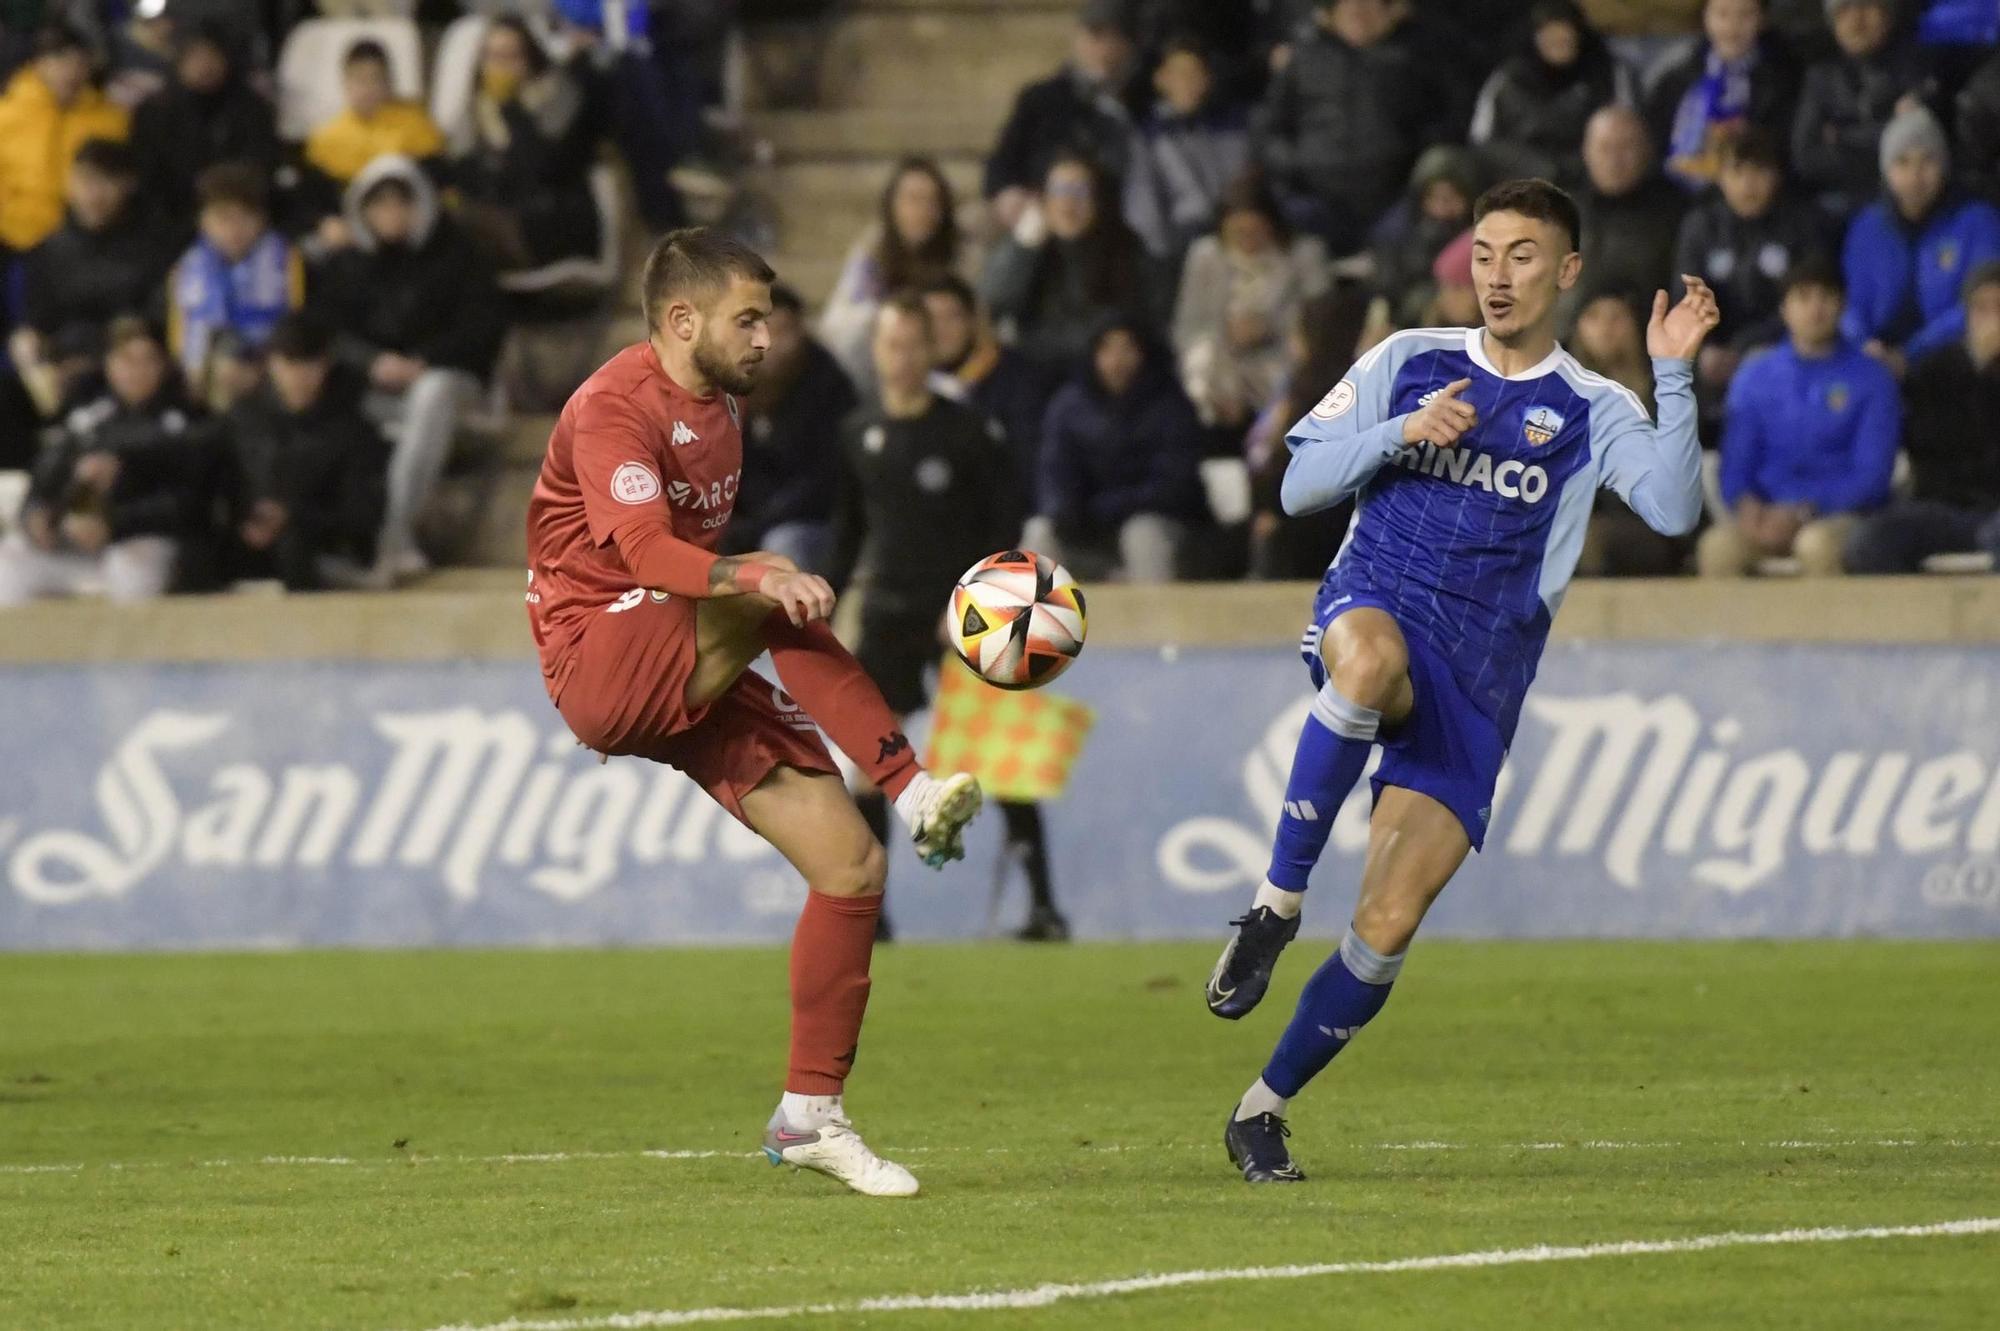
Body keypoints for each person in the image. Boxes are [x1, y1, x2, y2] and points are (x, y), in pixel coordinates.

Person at [1204, 179, 1719, 1183]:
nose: (1497, 274)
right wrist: (1400, 432)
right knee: (1366, 660)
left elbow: (1670, 510)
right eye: (1483, 252)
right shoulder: (1409, 361)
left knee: (1387, 924)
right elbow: (1296, 481)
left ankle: (1260, 1109)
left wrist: (1672, 376)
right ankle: (1272, 904)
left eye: (1522, 255)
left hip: (1479, 677)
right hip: (1375, 604)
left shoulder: (1586, 406)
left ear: (1564, 271)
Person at [524, 227, 985, 1198]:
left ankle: (808, 1114)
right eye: (747, 317)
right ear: (681, 319)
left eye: (767, 317)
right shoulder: (613, 406)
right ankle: (908, 783)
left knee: (848, 864)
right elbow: (647, 553)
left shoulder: (722, 410)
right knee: (765, 591)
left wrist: (747, 584)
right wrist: (753, 573)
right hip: (596, 656)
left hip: (681, 654)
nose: (766, 335)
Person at [830, 295, 1070, 944]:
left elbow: (1004, 525)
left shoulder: (965, 431)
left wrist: (973, 600)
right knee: (868, 760)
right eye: (891, 344)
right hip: (887, 614)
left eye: (913, 343)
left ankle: (1044, 907)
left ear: (930, 349)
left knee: (999, 756)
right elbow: (848, 531)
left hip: (964, 619)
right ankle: (870, 913)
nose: (902, 357)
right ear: (876, 352)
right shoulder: (857, 434)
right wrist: (820, 596)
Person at [310, 155, 506, 585]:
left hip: (450, 381)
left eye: (403, 203)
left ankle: (393, 538)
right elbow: (327, 333)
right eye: (379, 205)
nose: (392, 215)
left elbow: (482, 328)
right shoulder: (345, 267)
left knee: (431, 395)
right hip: (371, 386)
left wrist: (425, 362)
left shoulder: (459, 254)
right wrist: (372, 362)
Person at [1699, 259, 1899, 576]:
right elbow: (1736, 463)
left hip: (1840, 516)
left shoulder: (1872, 379)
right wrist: (1747, 506)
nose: (1815, 308)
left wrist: (1804, 511)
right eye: (1803, 297)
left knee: (1815, 545)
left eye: (1825, 297)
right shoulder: (1755, 376)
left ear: (1842, 305)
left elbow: (1872, 477)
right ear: (1785, 309)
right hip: (1766, 514)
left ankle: (1826, 628)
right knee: (1718, 548)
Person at [0, 318, 220, 605]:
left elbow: (188, 503)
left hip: (145, 542)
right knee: (11, 561)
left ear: (164, 365)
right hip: (77, 544)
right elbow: (45, 478)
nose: (137, 371)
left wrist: (115, 523)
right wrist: (39, 515)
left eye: (148, 361)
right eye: (127, 360)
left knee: (130, 566)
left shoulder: (188, 422)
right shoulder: (89, 419)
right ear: (109, 365)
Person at [1254, 0, 1446, 254]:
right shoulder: (1302, 60)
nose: (1361, 17)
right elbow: (1269, 128)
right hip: (1315, 198)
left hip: (1391, 200)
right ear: (1330, 15)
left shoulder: (1411, 61)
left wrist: (1415, 176)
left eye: (1369, 9)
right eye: (1352, 11)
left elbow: (1438, 122)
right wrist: (1293, 164)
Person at [1024, 315, 1206, 582]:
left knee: (1142, 533)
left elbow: (1174, 483)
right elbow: (1054, 471)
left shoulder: (1171, 406)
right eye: (1107, 349)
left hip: (1156, 520)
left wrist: (1112, 507)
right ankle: (1030, 621)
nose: (1117, 360)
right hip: (1086, 525)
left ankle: (1155, 621)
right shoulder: (1068, 406)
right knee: (1039, 530)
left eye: (1127, 349)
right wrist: (1064, 510)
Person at [1844, 260, 2000, 572]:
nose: (1993, 320)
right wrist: (1980, 376)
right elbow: (1929, 450)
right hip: (1945, 507)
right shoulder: (1934, 370)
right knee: (1870, 542)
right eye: (1982, 309)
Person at [11, 138, 176, 418]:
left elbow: (152, 321)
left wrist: (94, 362)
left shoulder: (151, 248)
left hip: (126, 361)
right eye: (86, 181)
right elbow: (39, 321)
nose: (95, 194)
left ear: (127, 185)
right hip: (62, 360)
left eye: (106, 182)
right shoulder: (49, 250)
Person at [226, 313, 389, 592]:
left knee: (294, 547)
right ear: (271, 364)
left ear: (324, 365)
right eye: (289, 364)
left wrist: (294, 516)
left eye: (309, 365)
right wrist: (245, 517)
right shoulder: (244, 418)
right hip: (250, 539)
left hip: (321, 546)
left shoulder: (351, 429)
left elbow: (361, 515)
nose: (298, 376)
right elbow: (224, 482)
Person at [1671, 127, 1828, 401]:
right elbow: (1685, 300)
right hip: (1713, 355)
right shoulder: (1701, 226)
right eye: (1737, 172)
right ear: (1720, 177)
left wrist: (1751, 348)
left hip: (1784, 348)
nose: (1748, 184)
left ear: (1777, 175)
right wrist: (1704, 349)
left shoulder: (1803, 225)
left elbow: (1812, 297)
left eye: (1759, 172)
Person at [1841, 106, 2000, 372]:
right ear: (1886, 170)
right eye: (1902, 162)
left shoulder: (1977, 221)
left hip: (1953, 358)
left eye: (1927, 160)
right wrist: (1865, 346)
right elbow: (1853, 304)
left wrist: (1910, 355)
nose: (1915, 175)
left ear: (1944, 167)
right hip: (1876, 359)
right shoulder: (1867, 226)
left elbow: (1981, 303)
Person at [449, 17, 601, 273]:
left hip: (552, 224)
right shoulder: (477, 108)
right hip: (499, 219)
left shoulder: (558, 96)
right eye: (492, 56)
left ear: (530, 58)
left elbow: (542, 168)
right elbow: (461, 168)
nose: (500, 66)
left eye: (511, 56)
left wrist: (510, 107)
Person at [1172, 179, 1329, 429]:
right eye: (1238, 232)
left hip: (1280, 355)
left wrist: (1269, 328)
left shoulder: (1304, 254)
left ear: (1271, 225)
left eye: (1255, 231)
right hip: (1222, 355)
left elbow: (1323, 320)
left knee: (1295, 373)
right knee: (1201, 359)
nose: (1247, 240)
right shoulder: (1205, 255)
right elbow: (1188, 325)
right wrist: (1227, 332)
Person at [725, 284, 857, 573]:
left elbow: (825, 481)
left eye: (784, 330)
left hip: (812, 524)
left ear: (802, 332)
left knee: (783, 546)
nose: (773, 342)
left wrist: (757, 523)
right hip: (750, 519)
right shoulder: (734, 385)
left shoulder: (829, 387)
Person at [981, 152, 1154, 371]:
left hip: (1105, 373)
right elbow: (991, 306)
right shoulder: (1026, 247)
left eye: (1079, 191)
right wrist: (1023, 249)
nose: (1068, 201)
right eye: (1059, 190)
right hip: (1037, 373)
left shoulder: (1126, 250)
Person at [1244, 287, 1370, 581]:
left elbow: (1288, 458)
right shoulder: (1356, 382)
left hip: (1306, 525)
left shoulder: (1314, 390)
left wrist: (1268, 508)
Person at [982, 0, 1143, 228]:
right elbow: (1002, 165)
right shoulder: (1041, 98)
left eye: (1114, 38)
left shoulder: (1140, 103)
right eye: (1095, 36)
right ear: (1078, 39)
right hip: (1044, 215)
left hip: (1117, 221)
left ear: (1128, 46)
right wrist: (1009, 193)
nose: (1104, 49)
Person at [168, 162, 305, 406]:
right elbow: (181, 340)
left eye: (245, 218)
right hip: (205, 383)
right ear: (203, 220)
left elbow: (296, 327)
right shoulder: (186, 268)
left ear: (262, 219)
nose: (234, 229)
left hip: (272, 375)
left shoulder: (286, 261)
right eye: (223, 218)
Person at [818, 158, 964, 386]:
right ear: (892, 205)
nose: (923, 210)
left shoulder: (960, 255)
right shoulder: (872, 252)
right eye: (913, 200)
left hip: (946, 369)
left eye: (932, 201)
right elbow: (840, 325)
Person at [922, 274, 1059, 504]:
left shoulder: (1020, 379)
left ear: (972, 320)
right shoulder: (912, 389)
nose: (940, 330)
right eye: (930, 320)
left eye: (950, 318)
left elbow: (1031, 467)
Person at [128, 21, 278, 228]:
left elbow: (260, 166)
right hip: (171, 221)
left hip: (238, 219)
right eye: (194, 57)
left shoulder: (251, 108)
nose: (204, 65)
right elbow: (148, 175)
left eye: (212, 56)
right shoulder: (154, 111)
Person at [1791, 0, 1933, 220]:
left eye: (1866, 6)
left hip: (1905, 197)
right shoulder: (1820, 77)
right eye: (1844, 11)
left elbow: (1917, 144)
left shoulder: (1916, 69)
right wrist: (1887, 129)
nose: (1856, 21)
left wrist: (1841, 137)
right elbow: (1806, 158)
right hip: (1839, 201)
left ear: (1888, 15)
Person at [1467, 0, 1633, 187]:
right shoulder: (1509, 80)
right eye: (1550, 37)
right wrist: (1540, 168)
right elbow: (1483, 141)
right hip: (1525, 181)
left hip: (1592, 182)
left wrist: (1581, 166)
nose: (1559, 43)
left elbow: (1629, 131)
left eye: (1565, 37)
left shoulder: (1607, 73)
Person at [0, 24, 129, 256]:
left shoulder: (111, 120)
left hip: (84, 244)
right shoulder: (6, 115)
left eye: (79, 62)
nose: (70, 70)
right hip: (13, 240)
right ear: (39, 64)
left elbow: (117, 180)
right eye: (60, 60)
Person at [1644, 0, 1800, 190]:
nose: (1732, 26)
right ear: (1705, 18)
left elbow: (1791, 143)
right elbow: (1654, 137)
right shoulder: (1677, 77)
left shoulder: (1785, 77)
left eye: (1745, 15)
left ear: (1763, 20)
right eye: (1722, 14)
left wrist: (1751, 136)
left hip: (1754, 188)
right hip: (1679, 189)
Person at [1123, 39, 1252, 264]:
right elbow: (1142, 201)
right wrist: (1165, 250)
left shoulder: (1232, 126)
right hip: (1180, 242)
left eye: (1196, 74)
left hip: (1235, 235)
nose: (1189, 83)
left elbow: (1245, 181)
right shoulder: (1148, 134)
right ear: (1161, 79)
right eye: (1180, 75)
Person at [1569, 105, 1688, 326]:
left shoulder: (1677, 214)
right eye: (1605, 149)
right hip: (1568, 344)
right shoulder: (1562, 212)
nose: (1615, 161)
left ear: (1647, 150)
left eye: (1626, 148)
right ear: (1586, 152)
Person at [303, 39, 443, 191]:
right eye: (360, 79)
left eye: (375, 79)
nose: (368, 89)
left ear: (388, 82)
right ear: (345, 82)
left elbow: (435, 179)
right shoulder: (326, 136)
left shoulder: (415, 124)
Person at [1368, 146, 1478, 329]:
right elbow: (1386, 285)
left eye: (1452, 198)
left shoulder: (1479, 231)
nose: (1442, 209)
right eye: (1435, 198)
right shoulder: (1397, 230)